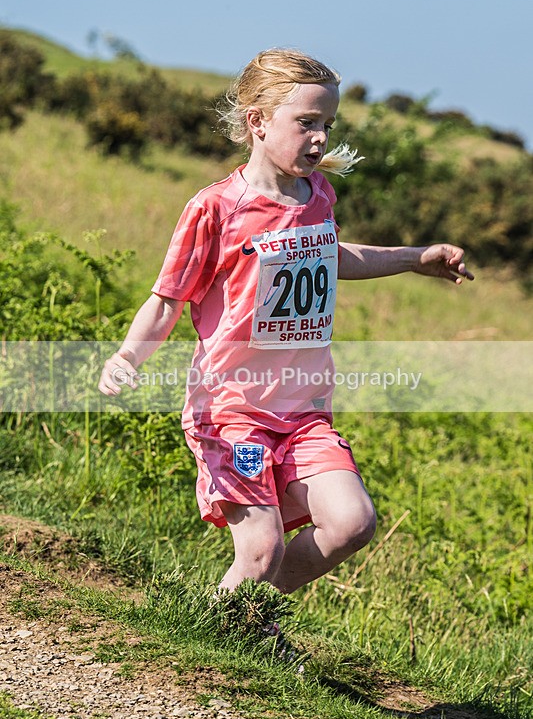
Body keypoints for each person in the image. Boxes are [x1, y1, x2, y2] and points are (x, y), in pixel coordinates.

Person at [98, 48, 473, 601]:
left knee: (351, 522)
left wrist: (416, 258)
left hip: (302, 412)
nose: (321, 139)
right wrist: (127, 357)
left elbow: (332, 255)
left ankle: (246, 618)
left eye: (328, 125)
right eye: (306, 124)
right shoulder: (215, 209)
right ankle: (225, 631)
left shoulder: (318, 195)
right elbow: (166, 299)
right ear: (257, 121)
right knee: (261, 548)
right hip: (232, 410)